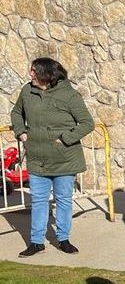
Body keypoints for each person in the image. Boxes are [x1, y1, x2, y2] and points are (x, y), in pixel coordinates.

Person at [11, 57, 94, 257]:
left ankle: (63, 239)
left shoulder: (69, 95)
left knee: (63, 200)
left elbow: (86, 123)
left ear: (47, 75)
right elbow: (16, 113)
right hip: (37, 156)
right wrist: (21, 132)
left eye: (34, 71)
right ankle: (36, 242)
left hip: (64, 158)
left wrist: (65, 138)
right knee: (39, 200)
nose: (30, 74)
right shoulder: (27, 91)